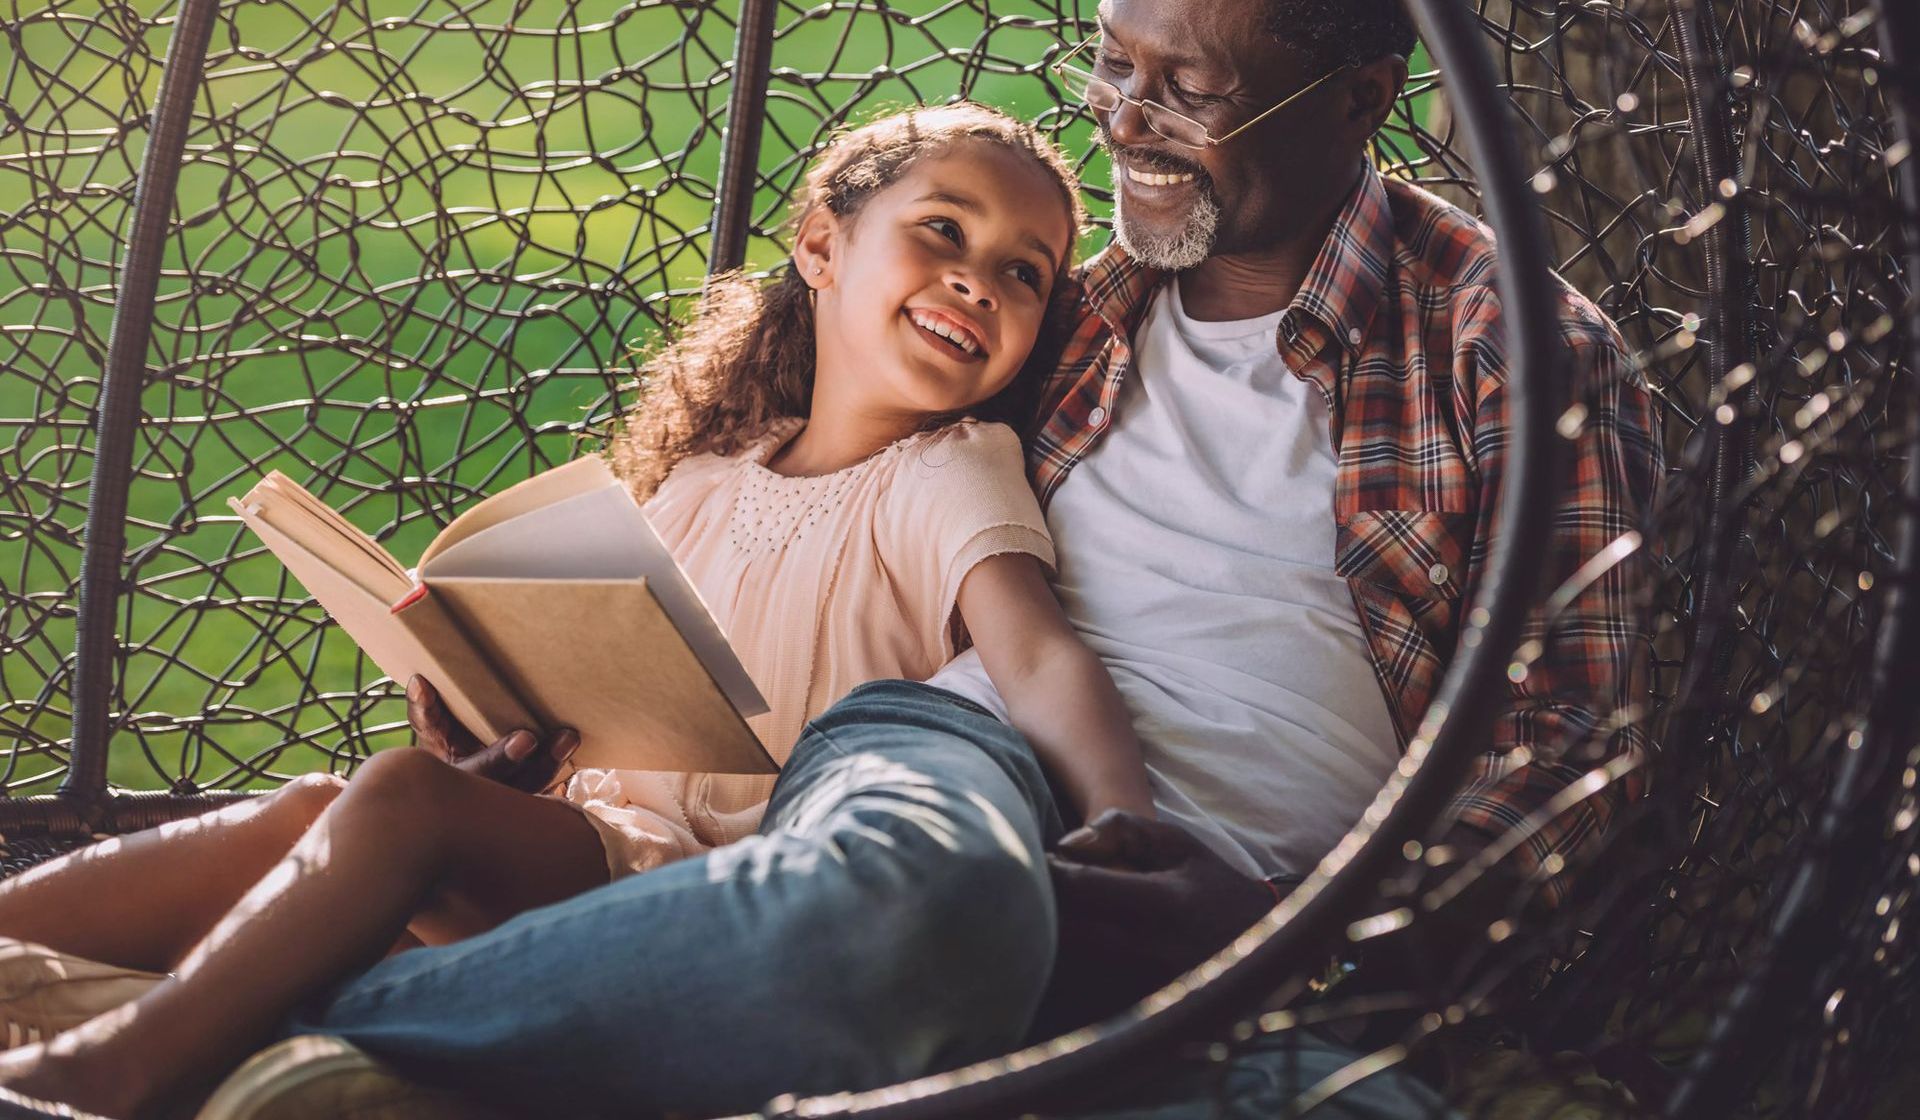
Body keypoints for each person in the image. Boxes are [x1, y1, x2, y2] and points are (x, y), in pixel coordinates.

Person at [0, 0, 1660, 1115]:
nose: (1131, 124)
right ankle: (294, 1051)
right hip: (959, 765)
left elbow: (1571, 756)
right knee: (913, 900)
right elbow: (890, 538)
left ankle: (319, 1056)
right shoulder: (1081, 319)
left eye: (1193, 86)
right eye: (1115, 63)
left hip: (1266, 877)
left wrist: (1297, 913)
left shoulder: (1499, 341)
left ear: (1362, 95)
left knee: (1052, 995)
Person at [0, 103, 1165, 1118]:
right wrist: (503, 747)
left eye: (1027, 270)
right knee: (326, 801)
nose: (980, 277)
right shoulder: (710, 475)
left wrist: (1122, 819)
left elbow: (1040, 655)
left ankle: (115, 1074)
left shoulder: (951, 468)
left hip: (716, 886)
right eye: (946, 229)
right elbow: (619, 702)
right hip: (588, 847)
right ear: (820, 245)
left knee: (400, 802)